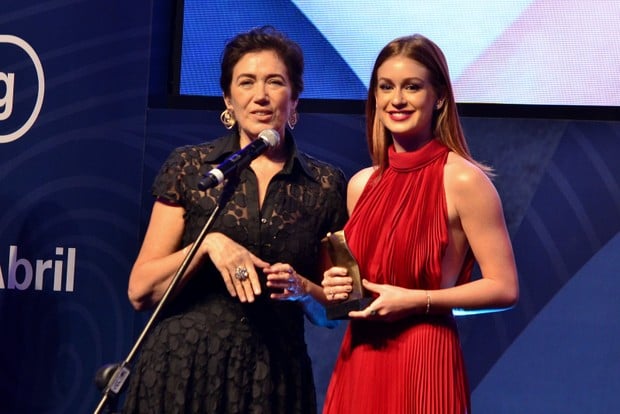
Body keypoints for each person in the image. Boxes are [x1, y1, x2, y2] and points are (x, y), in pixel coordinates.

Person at [122, 26, 347, 414]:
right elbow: (141, 291)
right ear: (228, 98)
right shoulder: (191, 167)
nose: (260, 95)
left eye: (275, 82)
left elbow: (337, 310)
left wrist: (303, 288)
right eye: (246, 82)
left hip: (273, 379)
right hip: (183, 373)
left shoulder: (324, 184)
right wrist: (206, 246)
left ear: (294, 101)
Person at [321, 34, 519, 414]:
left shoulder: (464, 181)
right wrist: (339, 287)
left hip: (424, 357)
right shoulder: (361, 185)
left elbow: (504, 288)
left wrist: (419, 301)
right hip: (360, 357)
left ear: (439, 97)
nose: (397, 99)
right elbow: (359, 290)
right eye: (386, 87)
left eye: (412, 87)